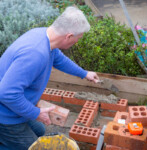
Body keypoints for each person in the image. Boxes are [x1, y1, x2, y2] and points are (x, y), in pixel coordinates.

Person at [0, 6, 99, 150]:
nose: (77, 41)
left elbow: (59, 60)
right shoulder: (34, 54)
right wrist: (36, 113)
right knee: (33, 147)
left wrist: (84, 73)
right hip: (5, 116)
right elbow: (6, 93)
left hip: (15, 108)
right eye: (78, 38)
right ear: (69, 36)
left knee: (40, 131)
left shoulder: (43, 36)